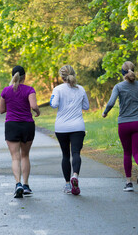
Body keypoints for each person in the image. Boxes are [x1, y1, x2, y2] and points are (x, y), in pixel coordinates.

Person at [102, 61, 138, 192]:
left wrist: (105, 112)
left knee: (127, 153)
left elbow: (111, 102)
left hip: (124, 124)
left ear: (122, 73)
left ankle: (129, 183)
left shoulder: (118, 86)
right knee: (137, 152)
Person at [0, 65, 40, 198]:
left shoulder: (6, 91)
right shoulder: (29, 90)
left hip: (11, 125)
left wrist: (12, 106)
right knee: (25, 156)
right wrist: (37, 112)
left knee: (15, 157)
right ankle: (26, 185)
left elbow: (1, 110)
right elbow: (33, 106)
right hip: (27, 125)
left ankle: (18, 184)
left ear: (13, 76)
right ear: (24, 77)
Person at [50, 65, 89, 195]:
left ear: (62, 77)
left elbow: (54, 104)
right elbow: (86, 106)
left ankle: (67, 184)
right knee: (76, 153)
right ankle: (75, 176)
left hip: (61, 127)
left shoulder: (58, 89)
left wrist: (53, 99)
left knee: (65, 155)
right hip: (78, 126)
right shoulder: (81, 89)